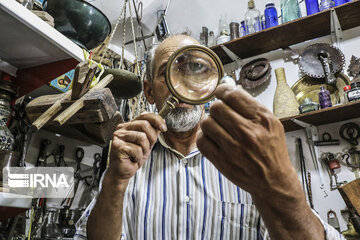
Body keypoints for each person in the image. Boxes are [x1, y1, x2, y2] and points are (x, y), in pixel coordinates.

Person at [75, 35, 344, 240]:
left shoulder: (248, 156)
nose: (181, 86)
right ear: (148, 92)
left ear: (212, 85)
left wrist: (280, 183)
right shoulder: (126, 161)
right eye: (169, 73)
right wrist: (114, 180)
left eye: (195, 69)